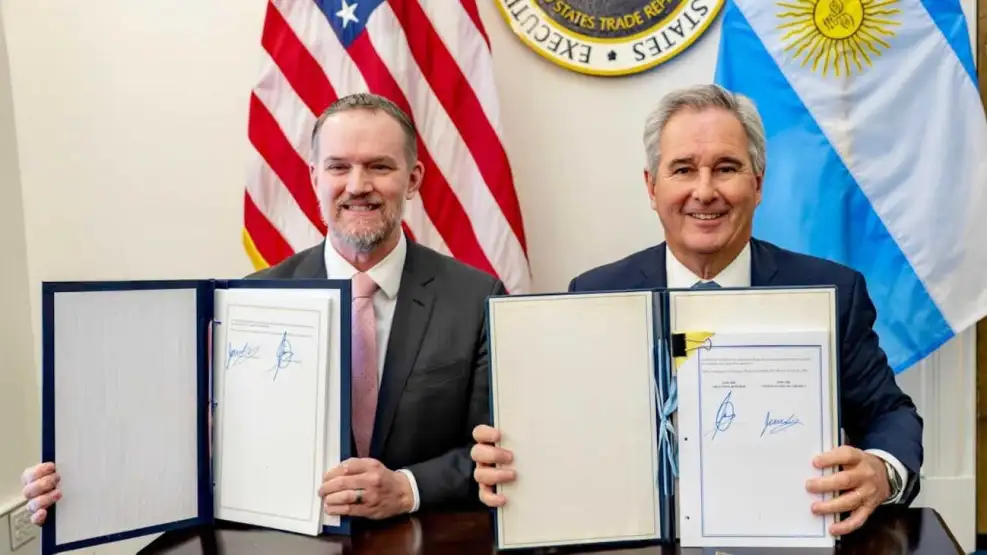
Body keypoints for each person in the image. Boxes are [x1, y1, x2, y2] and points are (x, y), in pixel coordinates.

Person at [21, 92, 504, 525]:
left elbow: (496, 450)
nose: (358, 185)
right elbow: (198, 447)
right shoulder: (250, 300)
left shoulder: (476, 297)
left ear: (413, 179)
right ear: (315, 177)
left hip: (429, 537)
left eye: (379, 166)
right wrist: (81, 486)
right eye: (338, 167)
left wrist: (407, 489)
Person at [470, 84, 923, 537]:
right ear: (652, 187)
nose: (704, 192)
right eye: (684, 169)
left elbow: (889, 413)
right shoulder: (595, 293)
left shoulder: (831, 291)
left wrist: (881, 471)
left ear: (757, 184)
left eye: (725, 168)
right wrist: (518, 465)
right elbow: (569, 431)